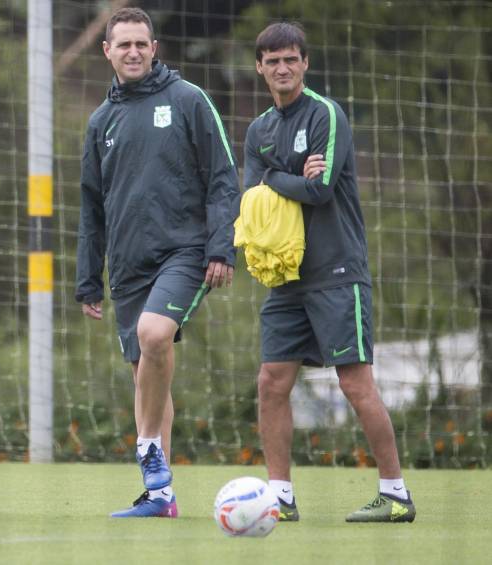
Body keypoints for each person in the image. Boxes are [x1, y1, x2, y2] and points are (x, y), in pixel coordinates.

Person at [243, 22, 415, 523]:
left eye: (290, 59)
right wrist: (287, 177)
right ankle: (280, 497)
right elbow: (251, 195)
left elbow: (319, 191)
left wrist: (274, 176)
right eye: (273, 60)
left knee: (355, 383)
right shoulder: (258, 130)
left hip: (338, 271)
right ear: (260, 67)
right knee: (271, 381)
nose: (282, 68)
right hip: (286, 277)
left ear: (305, 63)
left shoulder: (326, 113)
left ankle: (396, 495)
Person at [75, 7, 238, 518]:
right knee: (146, 374)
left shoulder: (188, 99)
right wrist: (88, 279)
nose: (133, 52)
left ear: (154, 48)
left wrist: (221, 247)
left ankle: (146, 448)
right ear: (107, 51)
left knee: (154, 334)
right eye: (123, 44)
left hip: (185, 252)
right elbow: (91, 207)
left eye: (140, 43)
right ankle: (160, 495)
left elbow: (223, 177)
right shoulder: (100, 122)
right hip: (127, 264)